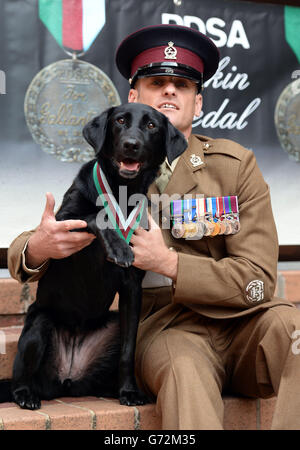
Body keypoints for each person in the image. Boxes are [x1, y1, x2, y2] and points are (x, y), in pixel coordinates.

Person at [7, 24, 300, 430]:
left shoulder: (235, 167)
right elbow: (60, 227)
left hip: (244, 320)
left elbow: (259, 282)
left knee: (295, 330)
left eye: (180, 85)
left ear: (198, 104)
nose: (168, 92)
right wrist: (35, 248)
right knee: (184, 368)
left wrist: (171, 263)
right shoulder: (112, 171)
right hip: (169, 328)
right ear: (132, 97)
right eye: (156, 82)